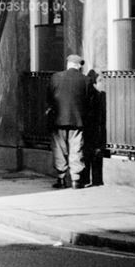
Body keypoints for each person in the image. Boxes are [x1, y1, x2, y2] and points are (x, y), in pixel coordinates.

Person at [46, 54, 94, 189]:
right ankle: (76, 180)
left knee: (59, 149)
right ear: (79, 66)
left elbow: (49, 97)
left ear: (68, 64)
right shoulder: (86, 80)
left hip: (58, 119)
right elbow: (89, 102)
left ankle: (61, 179)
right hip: (78, 120)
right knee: (76, 148)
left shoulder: (56, 77)